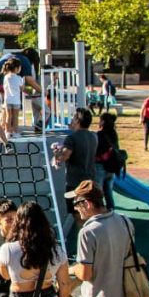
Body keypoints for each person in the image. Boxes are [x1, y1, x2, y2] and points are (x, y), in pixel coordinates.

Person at [55, 108, 98, 254]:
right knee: (90, 215)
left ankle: (85, 251)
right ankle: (92, 247)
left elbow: (64, 156)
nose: (71, 121)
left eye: (73, 118)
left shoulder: (72, 138)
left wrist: (57, 153)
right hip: (91, 182)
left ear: (78, 121)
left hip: (75, 184)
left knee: (80, 217)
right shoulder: (93, 137)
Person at [95, 112, 122, 211]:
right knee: (108, 192)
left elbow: (96, 151)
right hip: (111, 166)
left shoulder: (99, 135)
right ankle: (111, 211)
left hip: (100, 167)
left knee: (98, 193)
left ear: (102, 122)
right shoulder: (114, 133)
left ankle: (100, 212)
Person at [2, 58, 24, 140]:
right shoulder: (19, 78)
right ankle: (15, 132)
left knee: (8, 116)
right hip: (16, 100)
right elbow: (22, 88)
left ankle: (7, 132)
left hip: (7, 99)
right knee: (15, 117)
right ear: (16, 68)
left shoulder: (6, 77)